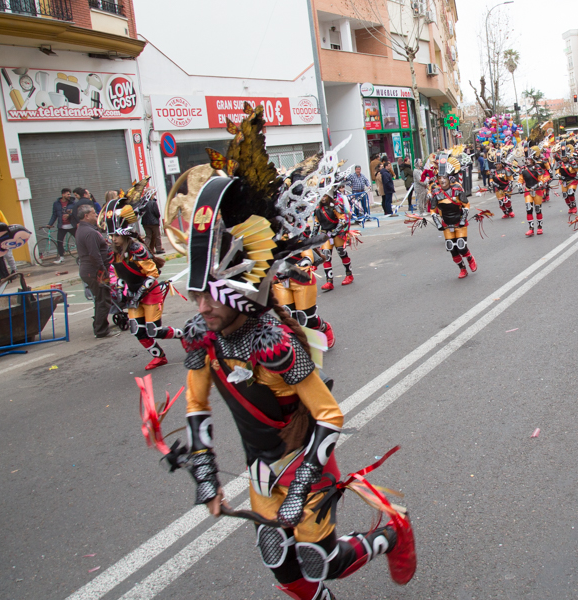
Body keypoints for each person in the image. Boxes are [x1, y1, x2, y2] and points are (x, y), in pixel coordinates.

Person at [174, 106, 415, 600]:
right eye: (196, 295)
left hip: (304, 462)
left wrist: (304, 483)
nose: (200, 307)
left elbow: (329, 417)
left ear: (239, 288)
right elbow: (196, 407)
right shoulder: (200, 337)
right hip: (262, 470)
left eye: (210, 294)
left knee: (319, 560)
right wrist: (204, 475)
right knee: (284, 569)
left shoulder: (277, 343)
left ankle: (391, 531)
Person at [103, 196, 174, 368]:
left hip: (149, 293)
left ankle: (184, 335)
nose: (113, 239)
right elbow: (120, 275)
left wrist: (139, 293)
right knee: (137, 330)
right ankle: (159, 356)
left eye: (115, 236)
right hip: (133, 294)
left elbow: (152, 274)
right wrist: (121, 290)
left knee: (154, 330)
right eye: (111, 236)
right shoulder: (114, 252)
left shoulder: (137, 249)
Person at [74, 205, 117, 338]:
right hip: (94, 271)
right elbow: (94, 254)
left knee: (100, 298)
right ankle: (101, 330)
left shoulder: (84, 229)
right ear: (86, 216)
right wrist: (103, 271)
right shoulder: (89, 232)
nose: (96, 215)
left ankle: (100, 327)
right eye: (93, 213)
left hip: (91, 270)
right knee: (103, 299)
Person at [429, 173, 476, 278]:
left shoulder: (457, 189)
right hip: (446, 223)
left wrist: (463, 219)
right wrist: (437, 223)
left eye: (444, 178)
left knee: (461, 246)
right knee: (451, 247)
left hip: (459, 221)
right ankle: (462, 268)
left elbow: (466, 205)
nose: (442, 180)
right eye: (440, 178)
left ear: (449, 179)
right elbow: (432, 210)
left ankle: (470, 259)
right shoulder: (436, 192)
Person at [315, 190, 354, 292]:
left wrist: (336, 231)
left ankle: (349, 275)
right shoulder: (317, 209)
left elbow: (342, 219)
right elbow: (316, 223)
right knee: (326, 256)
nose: (323, 198)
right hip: (325, 234)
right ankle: (329, 281)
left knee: (342, 253)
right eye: (321, 196)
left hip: (336, 233)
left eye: (325, 196)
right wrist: (312, 238)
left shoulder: (335, 205)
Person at [520, 148, 550, 237]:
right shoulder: (523, 168)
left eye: (528, 159)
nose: (527, 161)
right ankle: (531, 229)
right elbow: (520, 179)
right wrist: (519, 186)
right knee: (529, 209)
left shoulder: (538, 167)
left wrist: (536, 186)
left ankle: (540, 227)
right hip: (528, 190)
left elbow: (542, 180)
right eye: (526, 159)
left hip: (537, 190)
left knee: (538, 209)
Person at [47, 188, 76, 263]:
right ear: (63, 194)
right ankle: (61, 257)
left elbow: (76, 213)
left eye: (70, 194)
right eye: (68, 194)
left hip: (72, 225)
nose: (69, 195)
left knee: (79, 239)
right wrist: (50, 224)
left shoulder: (73, 203)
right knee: (59, 241)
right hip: (62, 226)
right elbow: (54, 215)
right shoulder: (56, 203)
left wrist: (69, 215)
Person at [139, 188, 164, 254]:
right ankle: (159, 249)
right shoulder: (153, 202)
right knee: (157, 236)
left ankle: (146, 249)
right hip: (154, 222)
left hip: (145, 223)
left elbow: (140, 212)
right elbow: (157, 213)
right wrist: (157, 218)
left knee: (148, 236)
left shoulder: (142, 203)